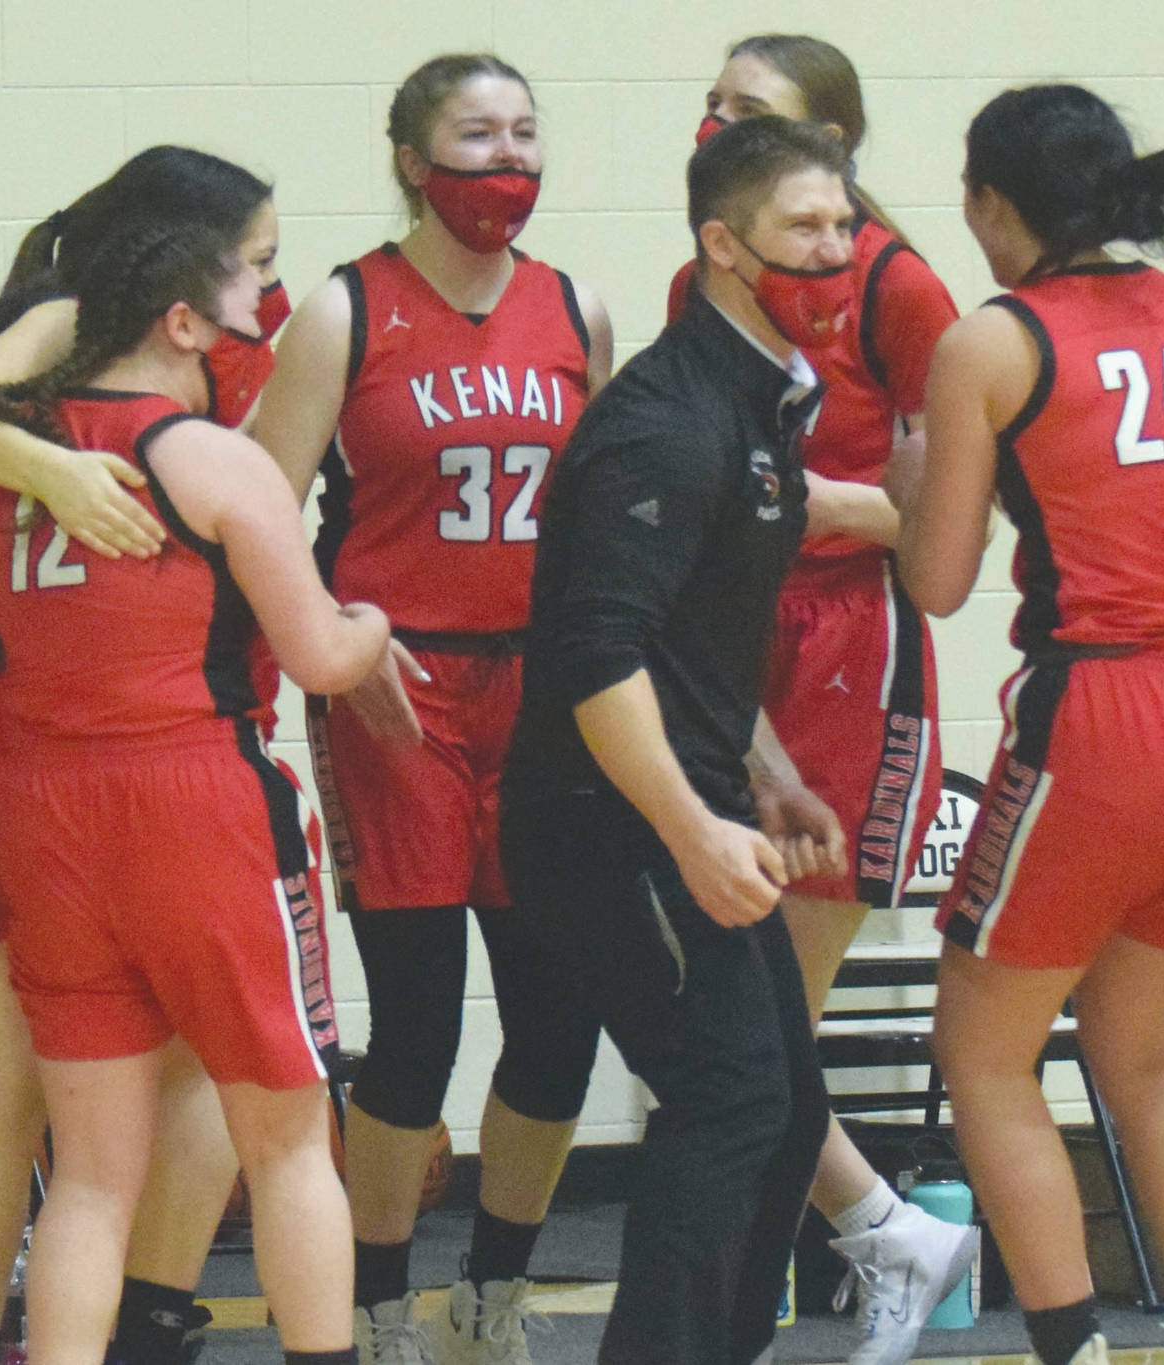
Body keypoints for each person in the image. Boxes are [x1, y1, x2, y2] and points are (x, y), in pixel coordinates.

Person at [0, 206, 390, 1365]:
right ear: (178, 316)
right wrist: (371, 619)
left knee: (65, 1165)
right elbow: (316, 655)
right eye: (248, 279)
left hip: (40, 802)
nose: (261, 304)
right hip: (192, 792)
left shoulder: (0, 451)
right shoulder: (210, 452)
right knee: (286, 1137)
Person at [901, 86, 1164, 1365]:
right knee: (1138, 1044)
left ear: (988, 202)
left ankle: (1072, 1344)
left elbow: (934, 582)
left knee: (979, 1051)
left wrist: (904, 477)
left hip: (1104, 710)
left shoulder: (992, 340)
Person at [248, 51, 611, 1365]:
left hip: (547, 694)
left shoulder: (580, 309)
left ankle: (493, 1299)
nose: (506, 159)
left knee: (562, 1017)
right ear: (414, 158)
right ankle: (383, 1305)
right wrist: (337, 646)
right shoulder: (348, 311)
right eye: (475, 135)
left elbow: (599, 523)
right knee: (417, 1022)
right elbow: (261, 512)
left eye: (525, 132)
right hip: (398, 695)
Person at [498, 114, 856, 1365]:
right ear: (721, 245)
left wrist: (771, 777)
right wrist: (689, 825)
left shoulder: (761, 407)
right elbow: (600, 657)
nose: (834, 251)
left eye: (843, 224)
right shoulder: (665, 419)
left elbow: (690, 642)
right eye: (803, 229)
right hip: (605, 825)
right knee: (732, 1097)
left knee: (784, 1106)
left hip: (690, 804)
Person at [673, 36, 970, 1360]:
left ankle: (848, 1242)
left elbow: (946, 518)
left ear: (832, 145)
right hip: (737, 639)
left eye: (750, 110)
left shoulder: (903, 287)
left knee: (758, 1002)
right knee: (723, 1003)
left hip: (855, 635)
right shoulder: (705, 274)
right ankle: (881, 1230)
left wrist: (797, 500)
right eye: (715, 102)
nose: (715, 121)